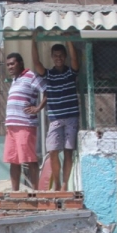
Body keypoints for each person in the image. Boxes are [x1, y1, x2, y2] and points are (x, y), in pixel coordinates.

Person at [32, 36, 80, 191]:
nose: (58, 58)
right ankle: (57, 183)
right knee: (52, 151)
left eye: (61, 55)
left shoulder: (71, 73)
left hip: (71, 118)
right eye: (56, 55)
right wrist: (33, 41)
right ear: (52, 57)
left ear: (64, 57)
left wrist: (69, 39)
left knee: (68, 152)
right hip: (55, 119)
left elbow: (74, 58)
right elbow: (36, 63)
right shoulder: (48, 75)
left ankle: (65, 185)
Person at [4, 52, 46, 191]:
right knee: (13, 160)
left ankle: (35, 192)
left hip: (25, 125)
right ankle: (15, 192)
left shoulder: (31, 76)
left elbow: (47, 90)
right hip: (11, 127)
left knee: (29, 159)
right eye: (8, 64)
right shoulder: (15, 80)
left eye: (12, 64)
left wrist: (38, 108)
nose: (10, 67)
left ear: (21, 63)